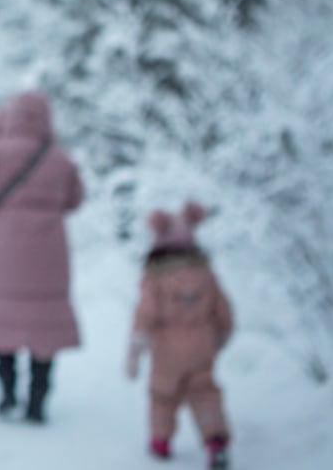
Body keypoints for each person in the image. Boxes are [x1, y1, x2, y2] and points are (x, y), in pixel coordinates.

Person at [0, 90, 83, 423]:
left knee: (3, 318)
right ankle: (37, 401)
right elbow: (75, 198)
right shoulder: (60, 158)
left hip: (5, 243)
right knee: (45, 326)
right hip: (51, 250)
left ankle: (7, 393)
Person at [126, 201, 233, 470]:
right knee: (205, 392)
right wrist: (220, 337)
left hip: (166, 349)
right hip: (202, 344)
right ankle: (216, 441)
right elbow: (224, 310)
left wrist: (136, 348)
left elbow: (146, 314)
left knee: (162, 395)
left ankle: (160, 442)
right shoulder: (205, 274)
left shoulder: (155, 277)